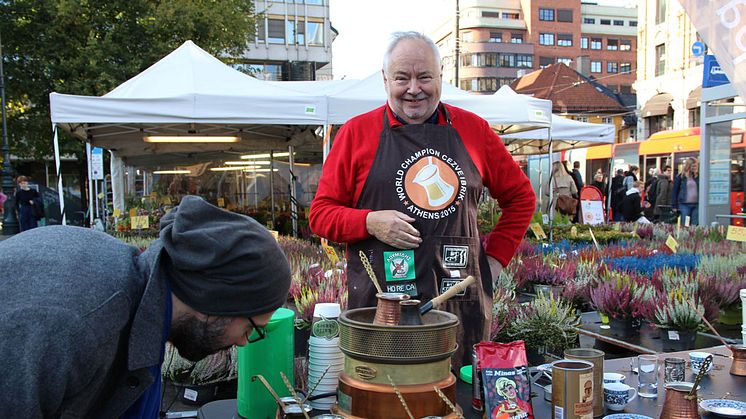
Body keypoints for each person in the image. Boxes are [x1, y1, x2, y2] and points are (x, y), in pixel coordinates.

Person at [309, 31, 535, 370]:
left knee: (456, 393)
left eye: (424, 77)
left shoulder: (475, 131)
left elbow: (521, 198)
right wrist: (369, 222)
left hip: (457, 301)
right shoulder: (356, 133)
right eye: (402, 78)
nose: (414, 88)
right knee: (386, 393)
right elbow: (321, 215)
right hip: (382, 303)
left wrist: (496, 260)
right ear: (386, 79)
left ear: (440, 76)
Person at [0, 195, 291, 418]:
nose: (243, 343)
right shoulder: (81, 322)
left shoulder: (138, 295)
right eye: (251, 329)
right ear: (214, 301)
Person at [672, 157, 700, 225]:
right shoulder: (681, 177)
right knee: (685, 224)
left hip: (697, 204)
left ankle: (693, 235)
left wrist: (697, 175)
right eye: (693, 166)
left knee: (694, 224)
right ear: (689, 166)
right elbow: (675, 191)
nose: (695, 168)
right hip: (684, 204)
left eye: (696, 166)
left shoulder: (699, 176)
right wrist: (674, 206)